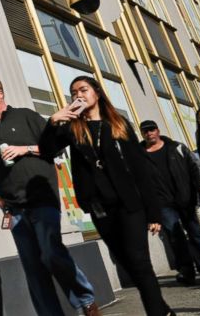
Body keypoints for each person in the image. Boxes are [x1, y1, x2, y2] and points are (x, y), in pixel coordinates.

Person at [43, 76, 172, 316]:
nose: (78, 95)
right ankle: (163, 310)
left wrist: (154, 212)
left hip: (130, 205)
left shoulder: (118, 124)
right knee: (128, 264)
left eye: (83, 89)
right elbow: (47, 151)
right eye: (73, 93)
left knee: (140, 263)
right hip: (100, 207)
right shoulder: (73, 128)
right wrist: (53, 121)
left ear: (97, 93)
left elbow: (141, 169)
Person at [0, 76, 100, 316]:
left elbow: (52, 146)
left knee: (51, 252)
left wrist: (25, 149)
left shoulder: (25, 116)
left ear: (1, 93)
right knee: (33, 268)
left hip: (42, 198)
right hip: (14, 209)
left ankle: (85, 300)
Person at [138, 119, 200, 283]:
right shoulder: (139, 155)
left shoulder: (176, 147)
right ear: (142, 133)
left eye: (152, 129)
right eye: (145, 131)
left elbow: (195, 166)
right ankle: (186, 270)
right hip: (161, 202)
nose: (149, 133)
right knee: (175, 236)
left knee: (194, 231)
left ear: (158, 130)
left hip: (185, 196)